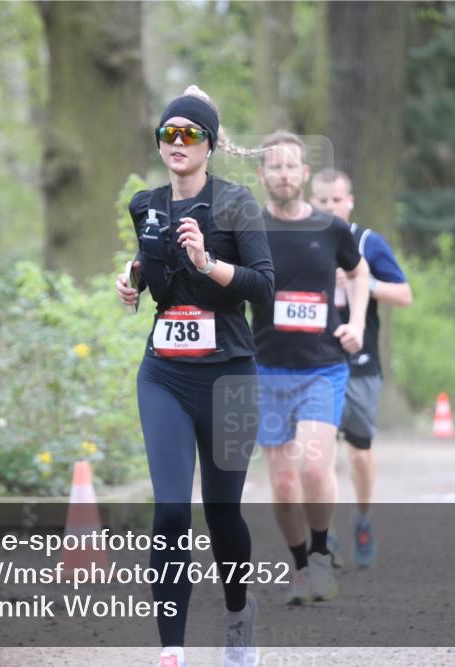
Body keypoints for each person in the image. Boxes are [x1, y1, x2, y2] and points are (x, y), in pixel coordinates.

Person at [115, 86, 274, 667]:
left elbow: (264, 287)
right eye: (168, 134)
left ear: (209, 144)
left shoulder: (237, 205)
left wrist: (211, 263)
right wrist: (132, 278)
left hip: (230, 375)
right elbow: (153, 268)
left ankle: (237, 619)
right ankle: (172, 651)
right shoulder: (146, 204)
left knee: (223, 511)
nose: (177, 143)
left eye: (190, 134)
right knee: (172, 510)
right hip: (165, 377)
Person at [251, 132, 370, 605]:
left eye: (291, 166)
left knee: (315, 466)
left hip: (322, 366)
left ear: (304, 174)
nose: (282, 174)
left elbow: (358, 272)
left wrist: (357, 322)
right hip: (266, 369)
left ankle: (322, 555)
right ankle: (300, 566)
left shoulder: (330, 228)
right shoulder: (249, 230)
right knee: (281, 482)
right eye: (273, 167)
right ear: (262, 176)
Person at [310, 168, 412, 568]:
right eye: (322, 200)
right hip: (313, 360)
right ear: (312, 200)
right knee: (318, 455)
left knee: (358, 454)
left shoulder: (368, 242)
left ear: (349, 201)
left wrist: (359, 281)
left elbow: (404, 295)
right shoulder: (301, 239)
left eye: (336, 199)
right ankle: (325, 533)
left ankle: (364, 517)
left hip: (361, 363)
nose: (330, 206)